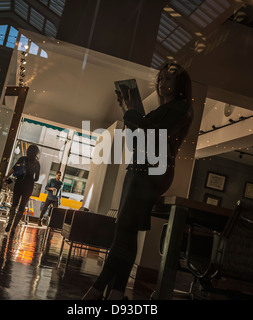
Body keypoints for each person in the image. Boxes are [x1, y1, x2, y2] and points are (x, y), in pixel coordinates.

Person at [82, 62, 194, 300]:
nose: (163, 84)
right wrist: (130, 111)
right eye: (161, 79)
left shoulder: (181, 108)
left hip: (151, 170)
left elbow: (148, 132)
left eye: (168, 79)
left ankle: (99, 288)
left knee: (125, 229)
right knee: (125, 232)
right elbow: (139, 137)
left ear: (180, 83)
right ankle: (116, 291)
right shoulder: (171, 108)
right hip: (141, 168)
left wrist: (131, 111)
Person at [4, 144, 41, 234]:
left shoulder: (22, 159)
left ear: (28, 151)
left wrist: (6, 177)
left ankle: (9, 223)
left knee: (14, 205)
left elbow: (13, 169)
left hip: (19, 183)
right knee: (21, 207)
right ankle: (14, 228)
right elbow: (36, 178)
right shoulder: (37, 164)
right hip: (29, 186)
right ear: (36, 153)